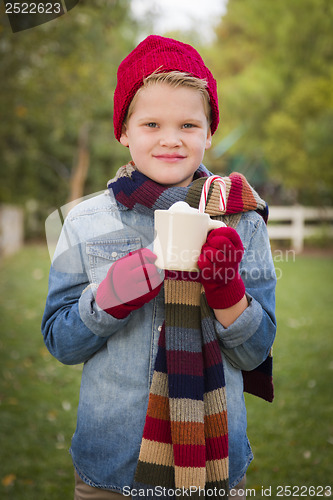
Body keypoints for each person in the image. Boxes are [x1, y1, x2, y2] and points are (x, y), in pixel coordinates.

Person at [41, 35, 276, 500]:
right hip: (111, 468)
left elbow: (255, 353)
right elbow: (61, 342)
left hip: (217, 465)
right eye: (151, 123)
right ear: (124, 131)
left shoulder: (242, 221)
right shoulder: (87, 220)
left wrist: (226, 293)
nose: (171, 139)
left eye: (189, 124)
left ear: (209, 132)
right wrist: (108, 298)